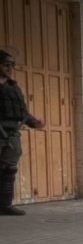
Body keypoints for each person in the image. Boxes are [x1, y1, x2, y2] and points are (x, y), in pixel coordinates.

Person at [1, 50, 46, 216]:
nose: (9, 68)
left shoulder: (14, 88)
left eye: (12, 65)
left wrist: (35, 123)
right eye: (6, 65)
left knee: (9, 169)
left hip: (12, 135)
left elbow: (22, 112)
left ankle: (5, 205)